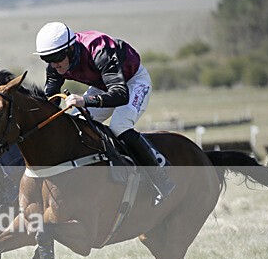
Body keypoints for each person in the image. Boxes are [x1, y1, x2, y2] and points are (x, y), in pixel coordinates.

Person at [34, 21, 175, 202]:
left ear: (69, 50)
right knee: (76, 125)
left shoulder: (99, 49)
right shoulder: (55, 64)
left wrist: (84, 101)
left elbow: (120, 95)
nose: (53, 64)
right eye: (47, 59)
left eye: (57, 57)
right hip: (102, 86)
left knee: (119, 126)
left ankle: (160, 176)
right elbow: (50, 99)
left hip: (131, 83)